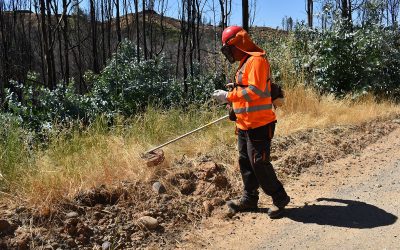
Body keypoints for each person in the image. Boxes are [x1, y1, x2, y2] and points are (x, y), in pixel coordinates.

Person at [212, 26, 290, 219]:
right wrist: (235, 87)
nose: (230, 54)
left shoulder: (256, 60)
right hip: (244, 123)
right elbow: (249, 86)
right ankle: (249, 199)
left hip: (260, 124)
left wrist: (229, 96)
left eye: (230, 49)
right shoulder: (246, 61)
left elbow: (254, 91)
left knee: (259, 163)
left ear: (239, 44)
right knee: (245, 161)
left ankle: (280, 199)